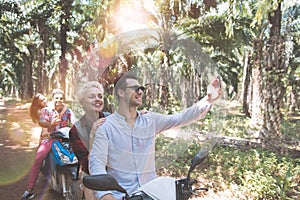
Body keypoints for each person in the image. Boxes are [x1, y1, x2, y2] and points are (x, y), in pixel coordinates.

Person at [89, 72, 222, 200]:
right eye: (135, 88)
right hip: (121, 196)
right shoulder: (106, 128)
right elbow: (97, 164)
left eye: (141, 88)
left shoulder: (150, 120)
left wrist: (208, 99)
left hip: (151, 194)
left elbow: (180, 118)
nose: (140, 92)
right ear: (121, 92)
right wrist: (105, 195)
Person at [20, 89, 77, 200]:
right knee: (38, 158)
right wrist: (50, 124)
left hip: (65, 140)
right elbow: (42, 121)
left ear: (63, 100)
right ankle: (29, 189)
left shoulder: (68, 111)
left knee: (78, 156)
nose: (58, 100)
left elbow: (75, 122)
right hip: (50, 139)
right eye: (56, 98)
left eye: (61, 98)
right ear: (52, 99)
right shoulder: (46, 110)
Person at [69, 81, 110, 200]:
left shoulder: (110, 119)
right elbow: (87, 166)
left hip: (115, 173)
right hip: (94, 178)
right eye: (92, 97)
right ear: (82, 103)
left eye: (100, 96)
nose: (97, 99)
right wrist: (92, 136)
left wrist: (140, 117)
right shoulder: (76, 131)